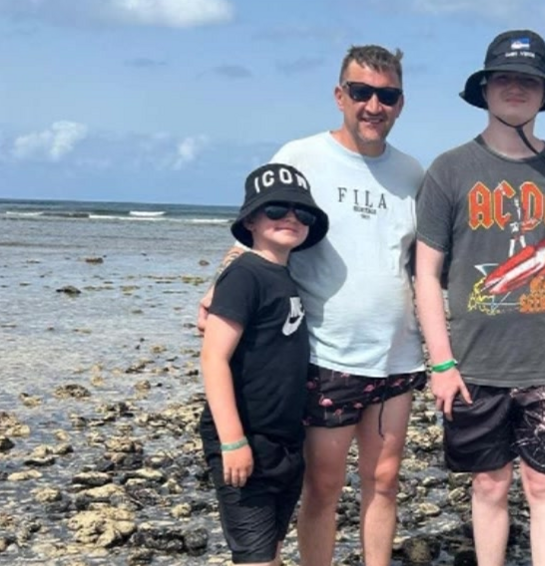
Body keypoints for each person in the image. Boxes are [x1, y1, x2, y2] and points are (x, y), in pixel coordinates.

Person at [198, 45, 426, 566]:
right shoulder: (301, 156)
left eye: (386, 95)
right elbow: (263, 224)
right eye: (361, 92)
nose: (374, 105)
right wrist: (219, 286)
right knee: (322, 487)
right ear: (340, 94)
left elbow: (423, 260)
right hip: (328, 355)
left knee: (385, 480)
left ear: (401, 102)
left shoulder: (413, 173)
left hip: (397, 356)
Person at [413, 29, 545, 566]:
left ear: (543, 94)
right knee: (489, 486)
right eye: (505, 78)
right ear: (486, 89)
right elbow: (427, 273)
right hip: (474, 365)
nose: (516, 88)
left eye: (528, 80)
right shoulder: (449, 169)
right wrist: (441, 362)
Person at [200, 163, 329, 566]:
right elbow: (213, 357)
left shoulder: (286, 275)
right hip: (245, 438)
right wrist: (233, 442)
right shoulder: (244, 276)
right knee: (253, 557)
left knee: (269, 549)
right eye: (276, 210)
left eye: (302, 212)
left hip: (285, 441)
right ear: (251, 220)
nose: (290, 217)